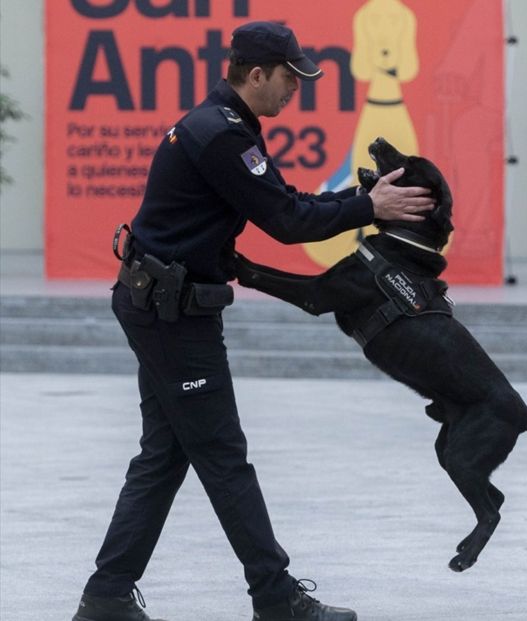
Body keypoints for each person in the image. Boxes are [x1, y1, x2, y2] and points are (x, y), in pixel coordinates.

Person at [71, 20, 434, 621]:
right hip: (171, 314)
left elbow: (286, 203)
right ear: (256, 73)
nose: (298, 89)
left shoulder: (227, 127)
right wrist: (370, 206)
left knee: (165, 454)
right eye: (291, 78)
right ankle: (275, 596)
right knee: (221, 453)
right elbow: (288, 221)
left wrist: (361, 203)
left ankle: (107, 595)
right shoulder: (221, 135)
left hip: (164, 303)